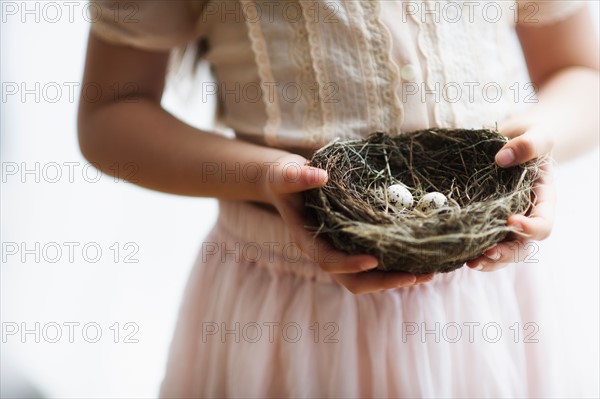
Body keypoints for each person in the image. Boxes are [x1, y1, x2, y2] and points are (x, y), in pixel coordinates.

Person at [77, 0, 599, 397]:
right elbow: (112, 113)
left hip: (491, 302)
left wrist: (541, 139)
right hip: (289, 312)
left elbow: (581, 72)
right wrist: (268, 176)